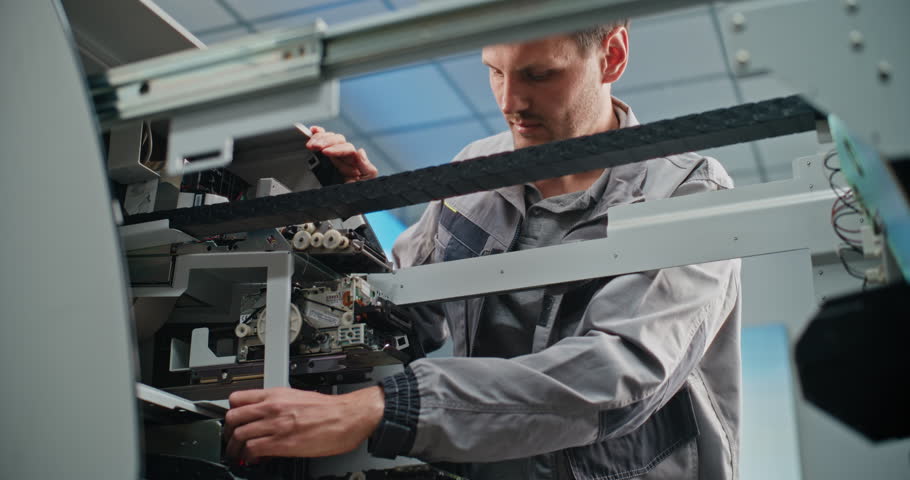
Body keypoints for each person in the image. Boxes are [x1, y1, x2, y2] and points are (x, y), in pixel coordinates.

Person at [225, 21, 741, 480]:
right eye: (495, 70)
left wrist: (385, 409)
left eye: (539, 75)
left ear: (612, 56)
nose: (508, 101)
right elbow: (404, 319)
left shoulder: (686, 191)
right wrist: (350, 221)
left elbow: (618, 377)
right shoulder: (473, 175)